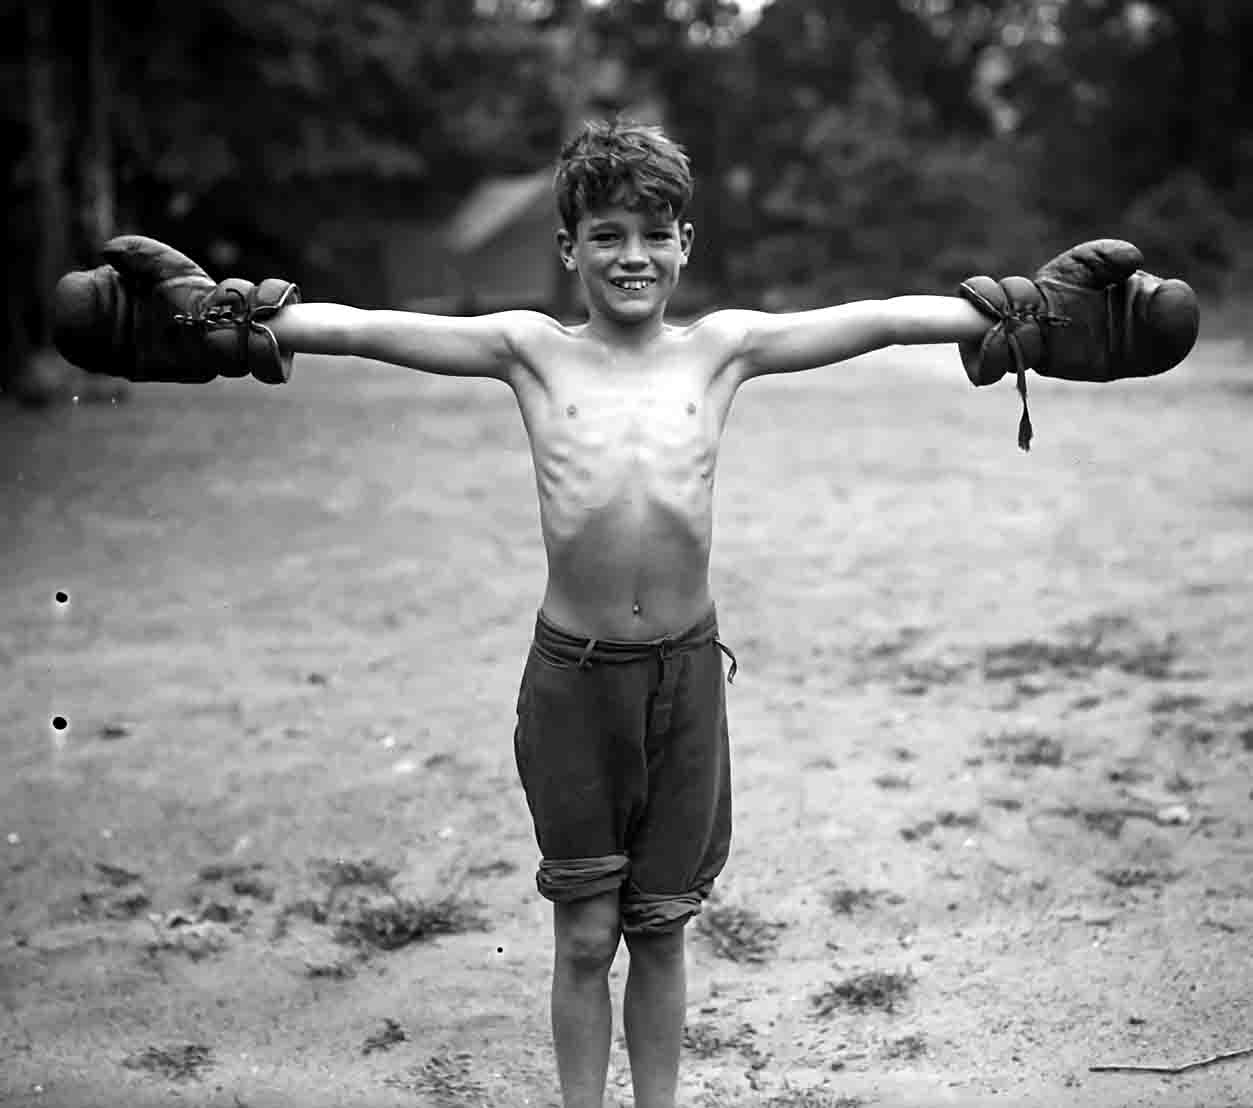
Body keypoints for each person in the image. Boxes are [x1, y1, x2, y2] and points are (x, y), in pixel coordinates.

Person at [51, 119, 1198, 1108]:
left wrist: (1010, 311)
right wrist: (231, 319)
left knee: (659, 926)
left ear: (684, 242)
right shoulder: (529, 352)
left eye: (654, 234)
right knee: (584, 931)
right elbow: (361, 327)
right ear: (568, 250)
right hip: (574, 682)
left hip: (683, 680)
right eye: (605, 235)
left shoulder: (721, 351)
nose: (632, 255)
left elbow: (880, 319)